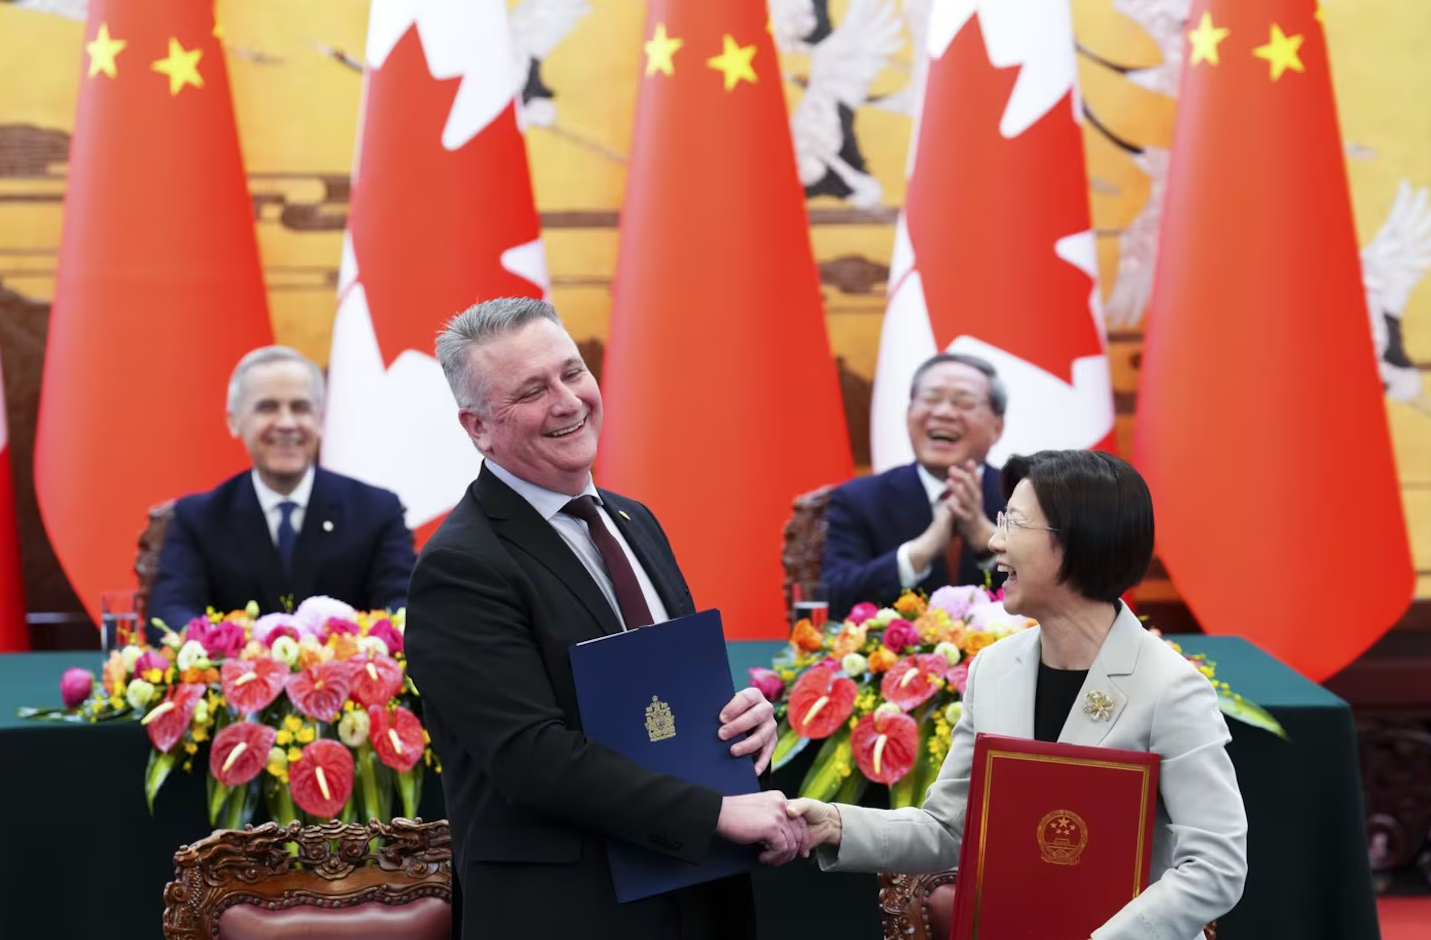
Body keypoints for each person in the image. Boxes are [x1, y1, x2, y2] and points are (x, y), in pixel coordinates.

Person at [402, 298, 802, 940]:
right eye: (533, 390)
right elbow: (532, 757)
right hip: (570, 910)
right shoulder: (459, 567)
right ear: (477, 427)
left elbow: (667, 700)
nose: (568, 401)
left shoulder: (633, 520)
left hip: (697, 893)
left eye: (573, 372)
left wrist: (743, 725)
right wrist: (714, 813)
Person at [789, 450, 1248, 940]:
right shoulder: (994, 668)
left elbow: (1215, 865)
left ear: (1077, 543)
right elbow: (949, 830)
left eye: (1014, 522)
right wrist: (835, 825)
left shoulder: (1171, 688)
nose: (994, 540)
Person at [147, 346, 416, 636]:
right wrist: (236, 650)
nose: (286, 423)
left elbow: (402, 608)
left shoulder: (376, 511)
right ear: (234, 420)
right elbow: (170, 614)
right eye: (267, 407)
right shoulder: (198, 518)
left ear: (320, 418)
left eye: (300, 407)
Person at [821, 353, 1008, 619]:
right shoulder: (859, 499)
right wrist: (917, 553)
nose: (943, 412)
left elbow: (1063, 597)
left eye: (964, 402)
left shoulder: (1025, 497)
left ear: (997, 428)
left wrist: (987, 541)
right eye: (930, 399)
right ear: (909, 414)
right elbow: (832, 599)